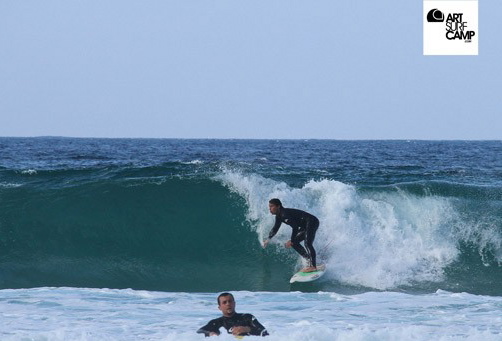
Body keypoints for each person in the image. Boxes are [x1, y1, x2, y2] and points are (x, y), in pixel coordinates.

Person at [263, 198, 320, 272]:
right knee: (294, 243)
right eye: (269, 207)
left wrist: (291, 240)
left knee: (307, 243)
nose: (270, 209)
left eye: (271, 206)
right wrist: (268, 239)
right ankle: (309, 258)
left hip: (312, 222)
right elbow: (275, 228)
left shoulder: (284, 214)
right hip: (305, 225)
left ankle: (313, 266)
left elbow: (295, 227)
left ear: (278, 206)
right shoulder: (279, 216)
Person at [197, 293, 269, 337]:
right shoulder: (216, 323)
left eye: (230, 301)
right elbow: (199, 331)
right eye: (224, 302)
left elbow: (265, 332)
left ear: (234, 303)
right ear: (219, 307)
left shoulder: (247, 317)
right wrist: (210, 333)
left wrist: (248, 329)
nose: (228, 304)